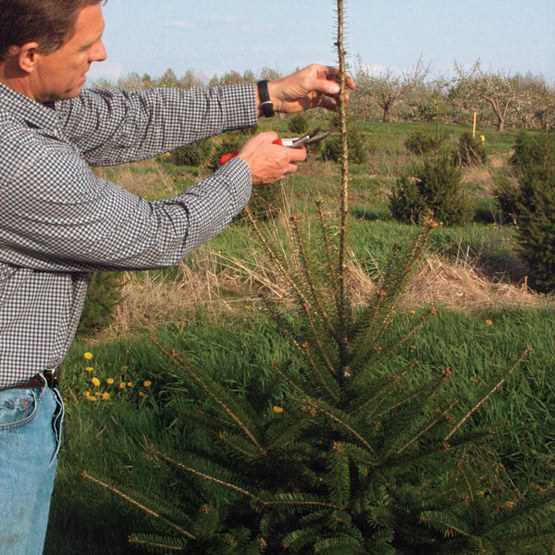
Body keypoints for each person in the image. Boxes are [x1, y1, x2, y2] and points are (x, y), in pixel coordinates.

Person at [0, 0, 355, 553]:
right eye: (85, 45)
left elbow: (128, 118)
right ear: (28, 55)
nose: (102, 53)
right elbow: (154, 235)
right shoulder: (19, 158)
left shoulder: (20, 107)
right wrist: (243, 174)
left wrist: (269, 96)